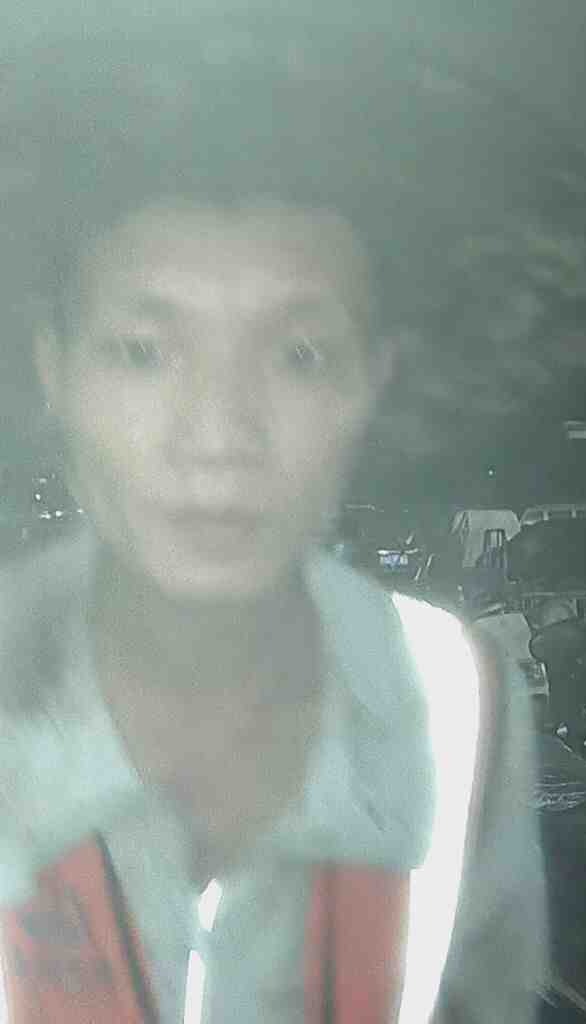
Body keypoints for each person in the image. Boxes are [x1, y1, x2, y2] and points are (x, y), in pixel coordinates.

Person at [0, 19, 545, 1023]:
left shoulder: (460, 706)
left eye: (299, 356)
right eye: (142, 351)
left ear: (371, 384)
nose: (219, 436)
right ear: (55, 371)